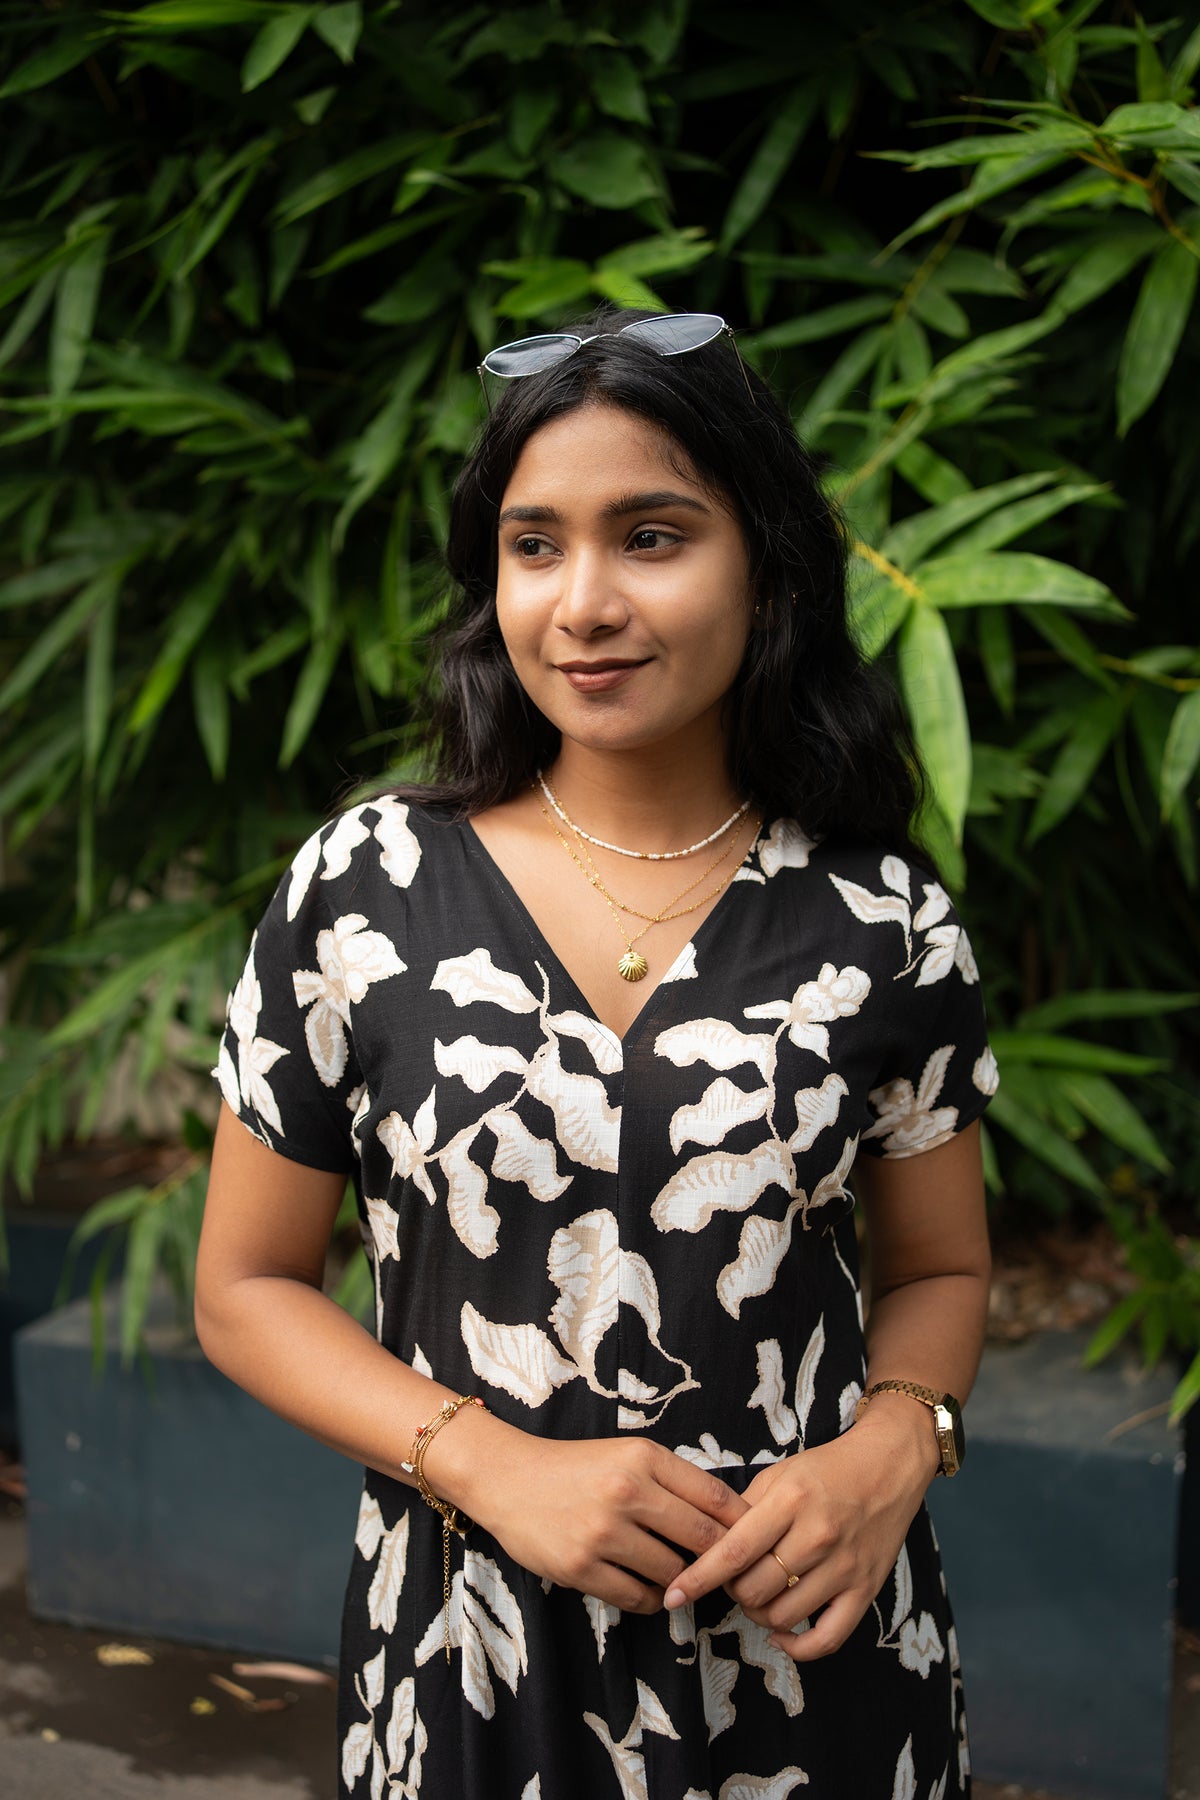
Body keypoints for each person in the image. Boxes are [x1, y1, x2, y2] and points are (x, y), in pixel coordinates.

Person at [197, 307, 995, 1800]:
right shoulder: (363, 890)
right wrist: (492, 1462)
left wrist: (900, 1444)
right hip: (472, 1661)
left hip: (816, 1663)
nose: (584, 604)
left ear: (763, 560)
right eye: (535, 543)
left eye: (651, 536)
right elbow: (242, 1290)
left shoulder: (883, 920)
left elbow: (942, 1272)